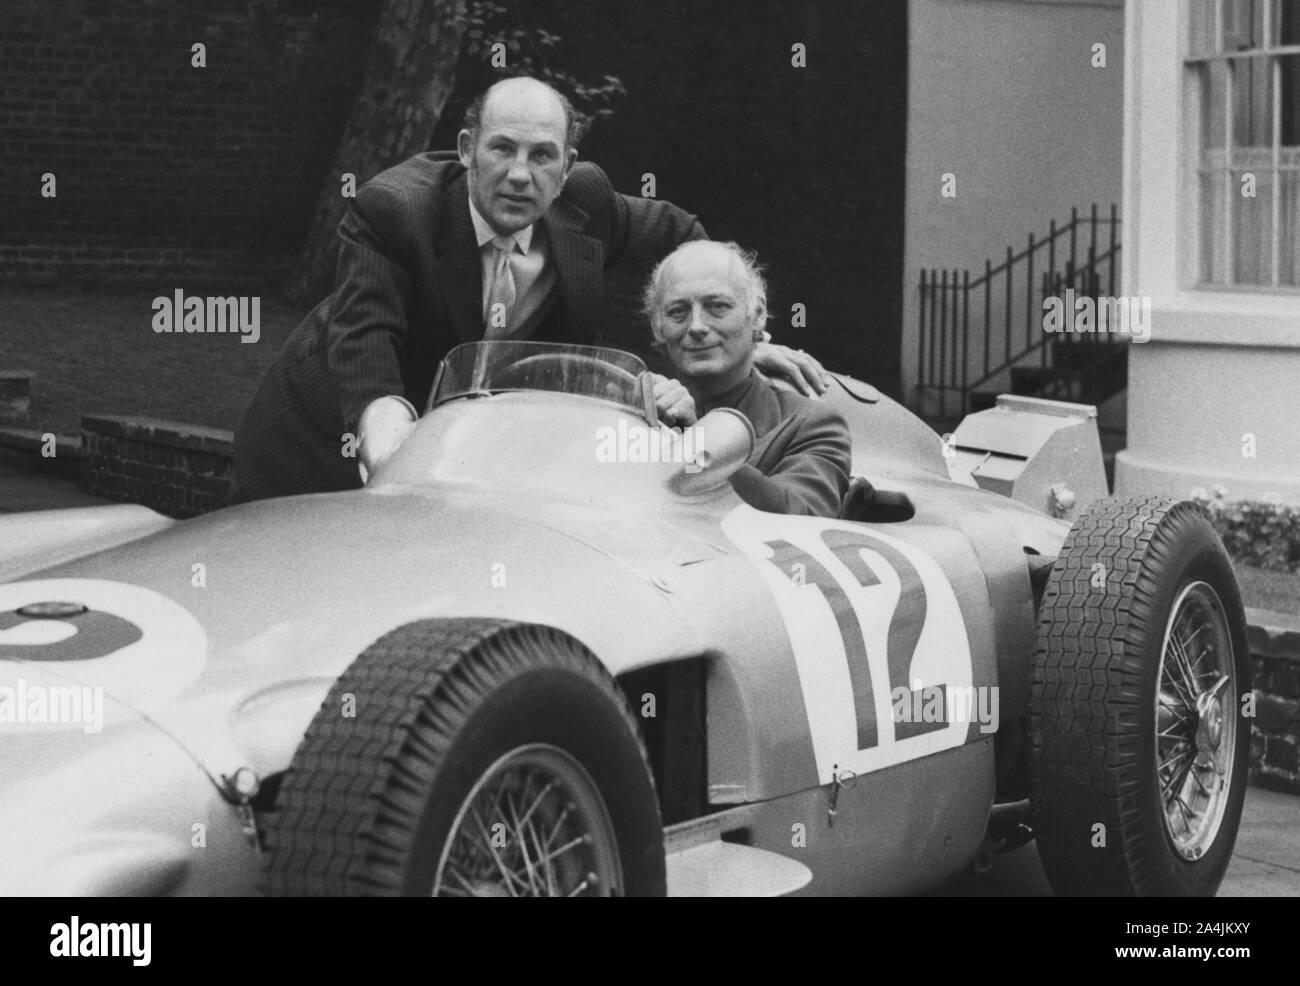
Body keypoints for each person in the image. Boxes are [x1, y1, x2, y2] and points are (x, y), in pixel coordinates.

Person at [231, 76, 826, 502]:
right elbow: (368, 356)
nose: (520, 174)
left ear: (566, 168)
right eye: (502, 149)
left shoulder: (585, 205)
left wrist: (743, 337)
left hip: (471, 459)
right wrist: (391, 461)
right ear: (468, 151)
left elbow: (683, 237)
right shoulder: (395, 211)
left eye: (542, 156)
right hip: (319, 433)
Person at [644, 240, 852, 517]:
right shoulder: (637, 414)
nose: (696, 326)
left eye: (717, 306)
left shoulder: (809, 425)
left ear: (757, 315)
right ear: (657, 326)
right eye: (677, 311)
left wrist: (698, 445)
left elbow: (803, 517)